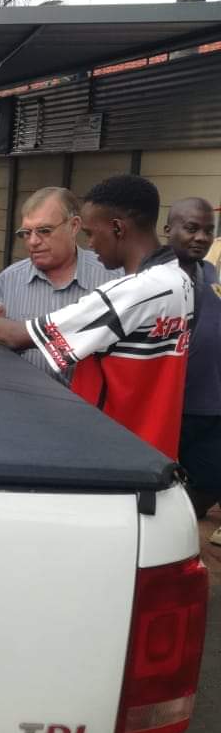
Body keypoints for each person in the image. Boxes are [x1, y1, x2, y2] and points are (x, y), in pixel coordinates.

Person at [0, 175, 193, 459]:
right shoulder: (179, 280)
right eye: (26, 233)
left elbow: (17, 336)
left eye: (91, 233)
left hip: (113, 451)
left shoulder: (130, 293)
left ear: (117, 228)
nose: (92, 243)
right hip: (149, 450)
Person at [0, 187, 120, 380]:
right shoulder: (7, 282)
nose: (33, 241)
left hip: (85, 407)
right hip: (18, 400)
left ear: (74, 226)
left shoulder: (112, 279)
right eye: (26, 233)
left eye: (44, 231)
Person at [164, 198, 221, 542]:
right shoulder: (155, 276)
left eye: (208, 230)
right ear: (168, 230)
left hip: (210, 404)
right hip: (174, 407)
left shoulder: (210, 272)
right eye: (191, 228)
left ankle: (182, 528)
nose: (201, 237)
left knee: (211, 478)